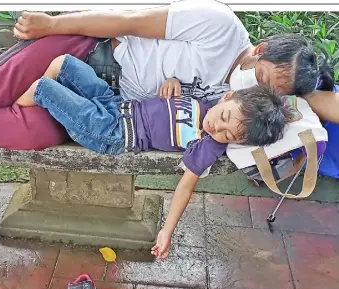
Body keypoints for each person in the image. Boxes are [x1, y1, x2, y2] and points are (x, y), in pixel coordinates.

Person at [15, 53, 291, 258]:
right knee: (64, 63)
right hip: (116, 103)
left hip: (110, 132)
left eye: (228, 135)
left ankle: (12, 116)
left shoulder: (207, 144)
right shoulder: (203, 98)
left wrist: (166, 231)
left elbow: (186, 187)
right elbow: (175, 84)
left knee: (45, 88)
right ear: (228, 97)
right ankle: (28, 112)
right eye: (225, 117)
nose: (216, 127)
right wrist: (172, 82)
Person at [13, 0, 338, 122]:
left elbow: (323, 103)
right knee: (8, 96)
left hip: (117, 111)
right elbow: (130, 21)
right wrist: (52, 24)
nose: (258, 87)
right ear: (261, 49)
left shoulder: (243, 100)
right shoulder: (219, 26)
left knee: (28, 120)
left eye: (272, 91)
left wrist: (172, 88)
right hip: (103, 60)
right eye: (263, 78)